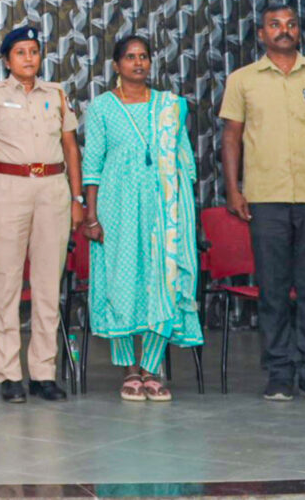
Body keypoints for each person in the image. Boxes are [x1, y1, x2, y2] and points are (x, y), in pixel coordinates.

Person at [220, 3, 305, 402]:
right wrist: (233, 188)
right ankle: (279, 372)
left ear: (300, 32)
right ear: (260, 34)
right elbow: (231, 137)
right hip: (265, 198)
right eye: (274, 25)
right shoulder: (243, 80)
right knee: (274, 289)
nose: (283, 30)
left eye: (291, 24)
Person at [81, 36, 203, 402]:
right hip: (116, 206)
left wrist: (179, 212)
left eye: (144, 57)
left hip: (164, 210)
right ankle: (128, 369)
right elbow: (93, 165)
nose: (138, 63)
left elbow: (186, 163)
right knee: (121, 280)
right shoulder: (101, 108)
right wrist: (90, 215)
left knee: (160, 281)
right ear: (116, 65)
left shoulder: (170, 107)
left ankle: (151, 368)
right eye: (130, 57)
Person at [0, 26, 82, 403]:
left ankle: (44, 373)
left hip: (52, 189)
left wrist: (77, 197)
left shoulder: (56, 94)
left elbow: (70, 147)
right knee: (6, 284)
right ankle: (9, 374)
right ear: (7, 59)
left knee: (48, 285)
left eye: (34, 51)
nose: (29, 58)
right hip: (9, 189)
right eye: (20, 52)